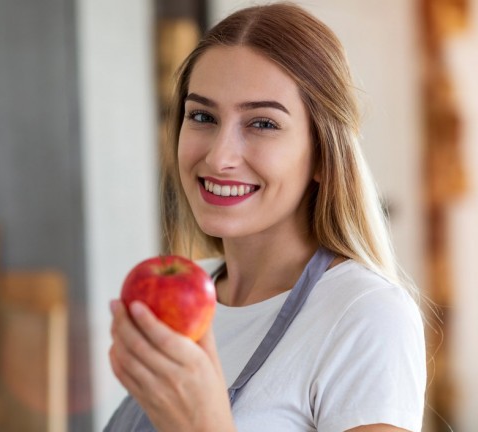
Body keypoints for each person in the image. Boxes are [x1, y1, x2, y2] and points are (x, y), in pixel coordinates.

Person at [106, 3, 426, 431]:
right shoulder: (184, 295)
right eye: (202, 116)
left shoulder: (364, 314)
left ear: (323, 156)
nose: (219, 157)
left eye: (262, 124)